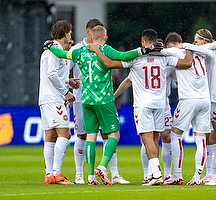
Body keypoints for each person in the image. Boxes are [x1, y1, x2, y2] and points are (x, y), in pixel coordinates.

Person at [44, 25, 163, 185]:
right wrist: (144, 50)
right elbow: (124, 55)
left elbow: (61, 53)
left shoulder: (80, 51)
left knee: (90, 137)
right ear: (105, 38)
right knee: (114, 135)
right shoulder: (106, 50)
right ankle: (101, 167)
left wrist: (51, 45)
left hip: (86, 100)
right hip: (104, 99)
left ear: (91, 37)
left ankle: (90, 177)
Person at [88, 28, 193, 186]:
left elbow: (109, 63)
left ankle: (156, 173)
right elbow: (187, 63)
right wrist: (190, 47)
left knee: (146, 139)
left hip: (143, 104)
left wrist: (97, 50)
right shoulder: (164, 57)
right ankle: (153, 173)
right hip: (160, 103)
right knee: (155, 139)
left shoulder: (136, 58)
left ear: (143, 42)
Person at [67, 19, 129, 185]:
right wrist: (69, 83)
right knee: (83, 134)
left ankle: (113, 173)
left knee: (102, 134)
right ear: (88, 32)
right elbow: (64, 70)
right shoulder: (77, 49)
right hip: (82, 98)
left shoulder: (92, 50)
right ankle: (80, 174)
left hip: (89, 98)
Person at [156, 32, 216, 186]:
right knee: (201, 138)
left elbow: (159, 51)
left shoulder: (175, 51)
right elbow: (214, 48)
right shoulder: (201, 53)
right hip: (205, 100)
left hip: (188, 100)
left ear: (170, 45)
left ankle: (177, 174)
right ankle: (197, 176)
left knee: (175, 135)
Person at [184, 29, 216, 185]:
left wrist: (185, 45)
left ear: (205, 41)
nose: (195, 44)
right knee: (213, 138)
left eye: (196, 41)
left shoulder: (211, 53)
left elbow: (202, 49)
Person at [40, 20, 75, 185]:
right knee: (64, 134)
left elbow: (56, 75)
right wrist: (66, 93)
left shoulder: (50, 49)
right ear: (66, 32)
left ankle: (49, 175)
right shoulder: (56, 50)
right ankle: (57, 173)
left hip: (45, 98)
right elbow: (52, 74)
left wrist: (69, 82)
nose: (71, 36)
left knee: (50, 136)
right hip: (54, 99)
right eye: (70, 33)